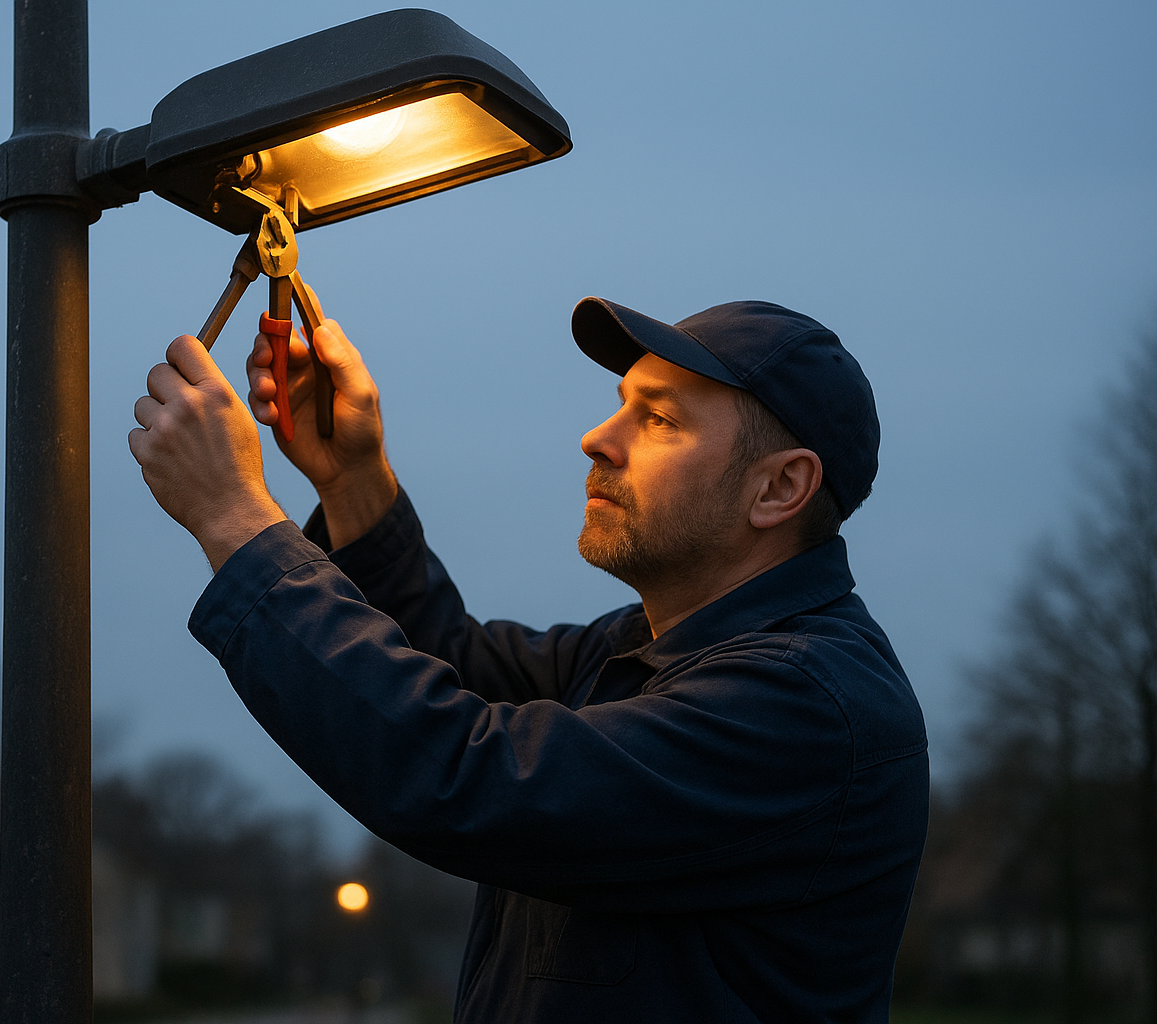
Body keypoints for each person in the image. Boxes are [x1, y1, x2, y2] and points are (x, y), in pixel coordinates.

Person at [127, 295, 928, 1023]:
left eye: (659, 420)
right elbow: (450, 666)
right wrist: (353, 479)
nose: (596, 438)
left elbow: (473, 779)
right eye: (622, 405)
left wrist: (236, 519)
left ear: (779, 488)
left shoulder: (808, 704)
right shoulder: (640, 652)